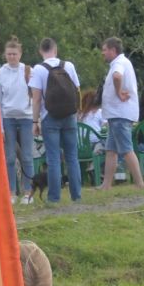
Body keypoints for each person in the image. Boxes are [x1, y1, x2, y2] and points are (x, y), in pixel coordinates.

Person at [30, 37, 82, 205]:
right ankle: (77, 196)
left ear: (41, 51)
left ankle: (54, 198)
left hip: (49, 117)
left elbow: (36, 99)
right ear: (56, 49)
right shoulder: (69, 66)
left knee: (53, 159)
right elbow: (77, 91)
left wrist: (35, 122)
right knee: (72, 157)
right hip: (69, 116)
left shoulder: (38, 69)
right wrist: (77, 112)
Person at [98, 37, 144, 190]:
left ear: (113, 50)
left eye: (104, 50)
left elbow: (117, 76)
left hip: (120, 113)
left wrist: (118, 92)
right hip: (116, 114)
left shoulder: (118, 63)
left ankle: (139, 183)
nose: (102, 53)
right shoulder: (121, 62)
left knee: (125, 149)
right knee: (111, 150)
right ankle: (106, 184)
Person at [0, 38, 35, 204]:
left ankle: (28, 192)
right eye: (9, 54)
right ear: (5, 55)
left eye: (15, 54)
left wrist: (36, 119)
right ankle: (11, 192)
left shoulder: (28, 71)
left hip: (26, 117)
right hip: (8, 118)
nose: (12, 57)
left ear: (20, 54)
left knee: (26, 156)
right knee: (10, 157)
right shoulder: (0, 74)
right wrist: (0, 127)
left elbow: (35, 95)